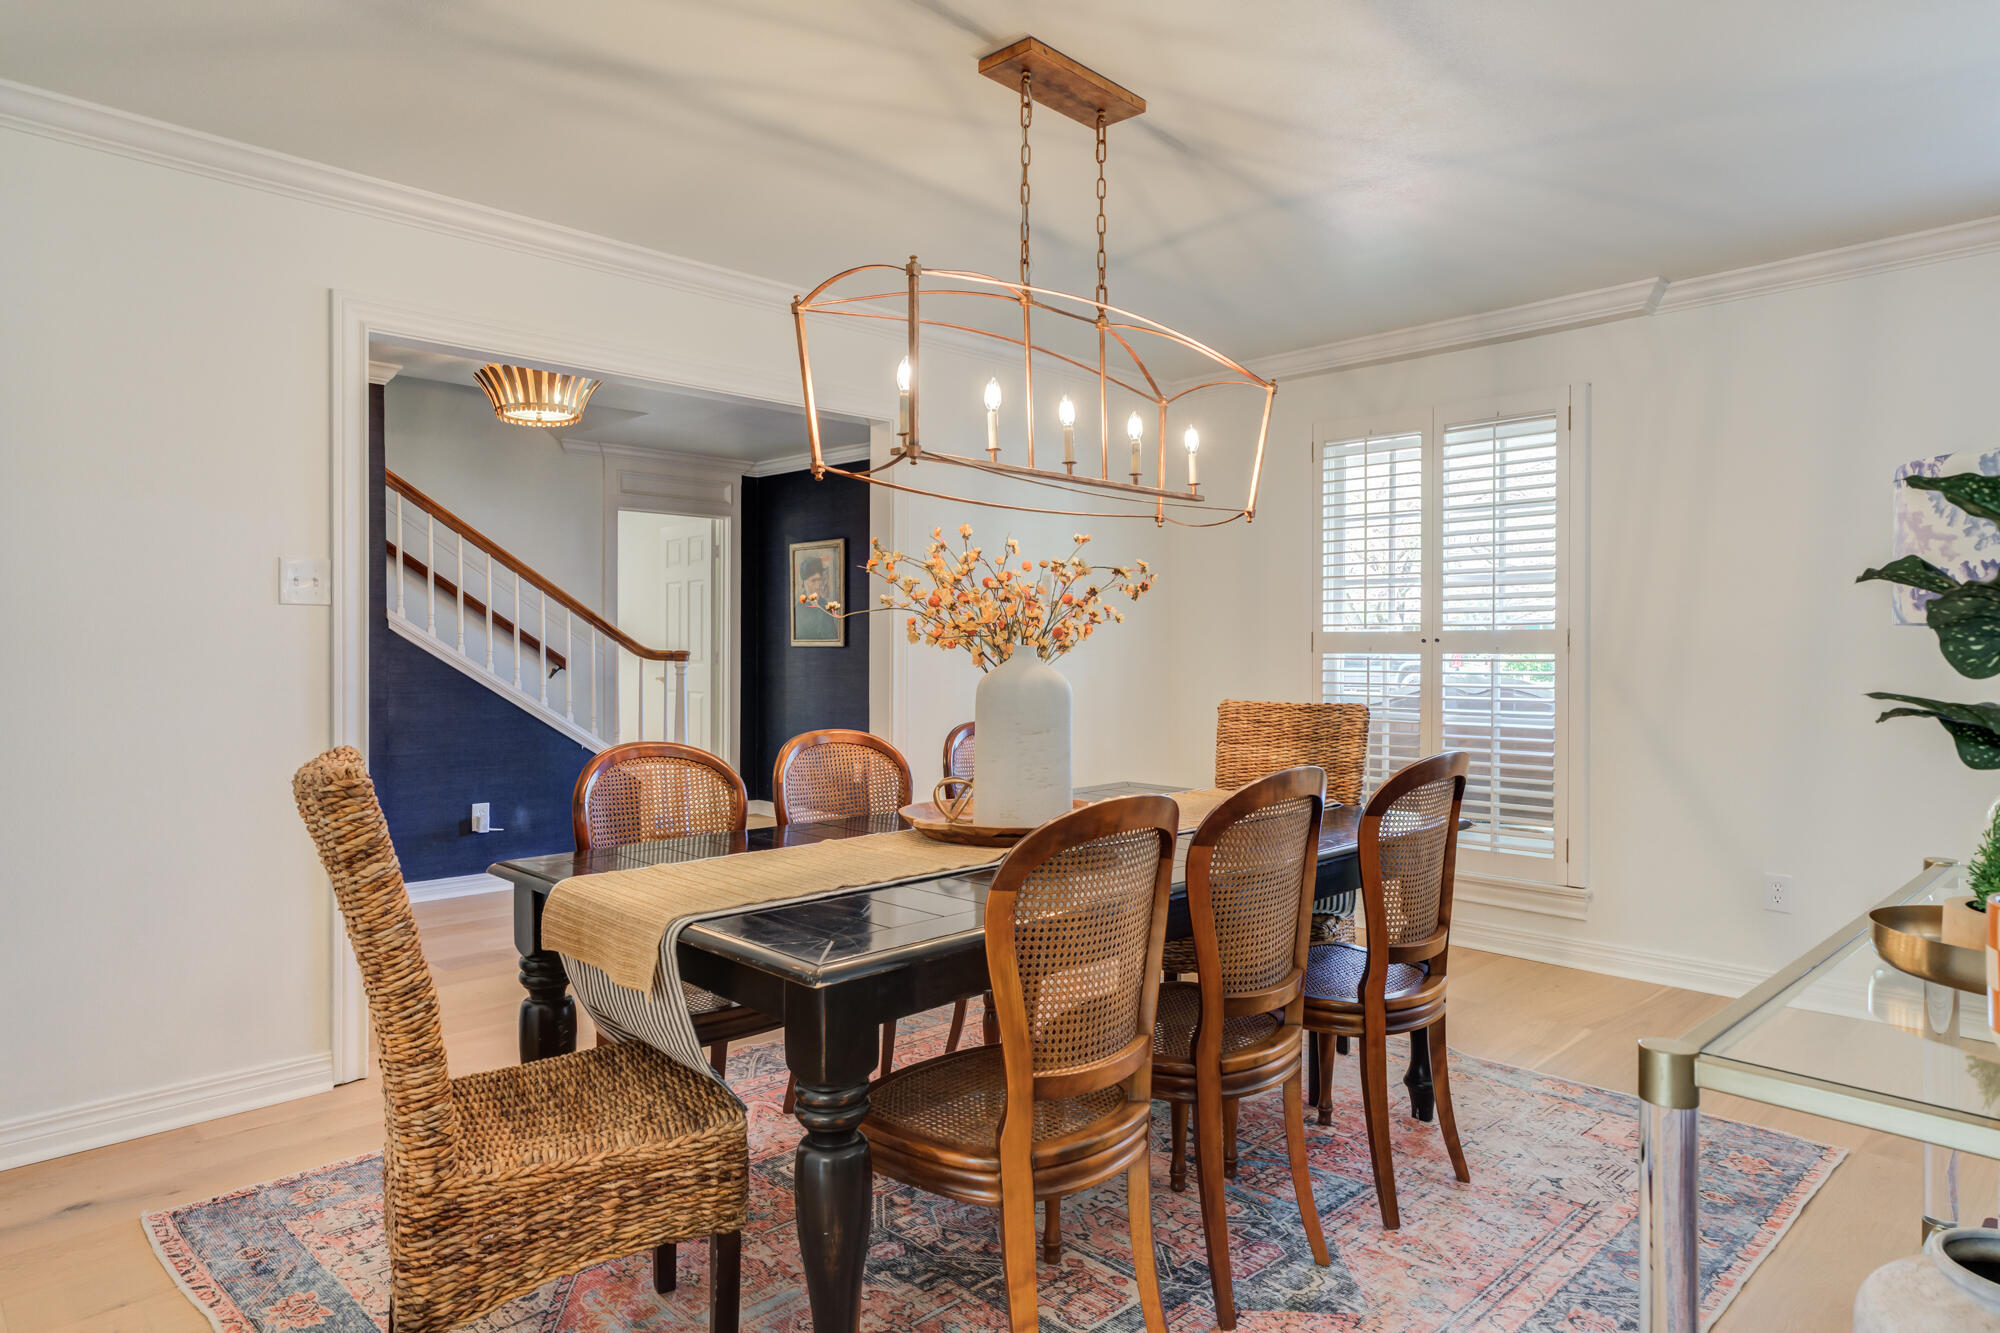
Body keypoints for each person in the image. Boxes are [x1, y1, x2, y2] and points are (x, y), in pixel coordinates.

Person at [795, 553, 841, 642]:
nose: (817, 586)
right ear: (804, 582)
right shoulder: (798, 609)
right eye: (813, 581)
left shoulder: (826, 606)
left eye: (819, 579)